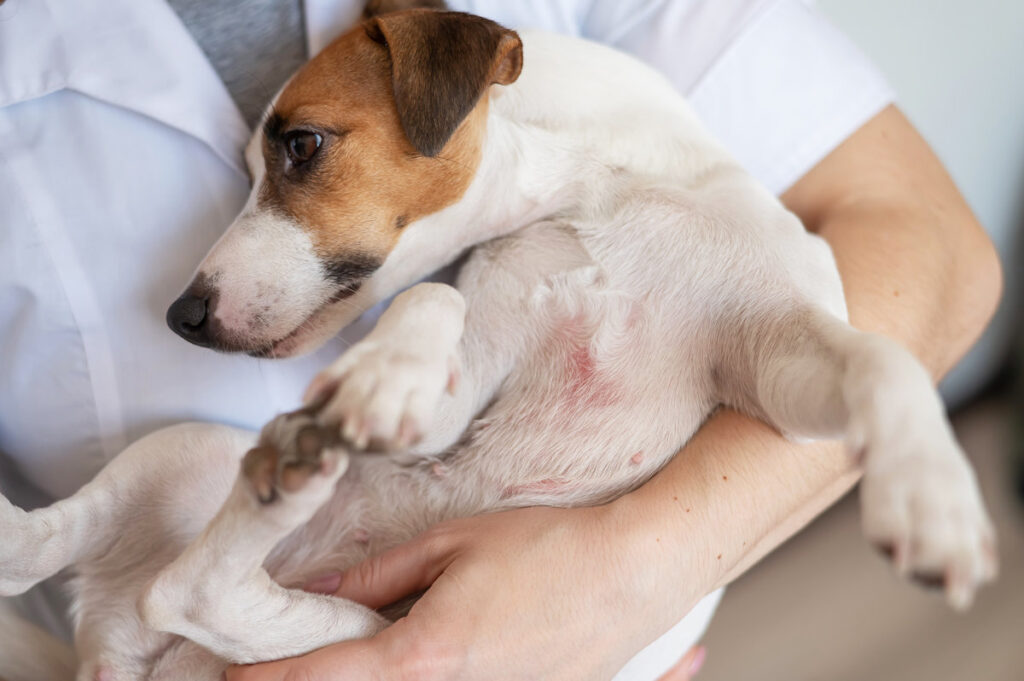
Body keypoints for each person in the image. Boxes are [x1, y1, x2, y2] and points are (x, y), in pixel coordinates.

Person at [0, 0, 1000, 679]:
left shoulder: (697, 225)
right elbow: (433, 412)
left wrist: (624, 575)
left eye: (300, 156)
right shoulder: (505, 260)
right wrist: (420, 329)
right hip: (180, 621)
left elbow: (928, 251)